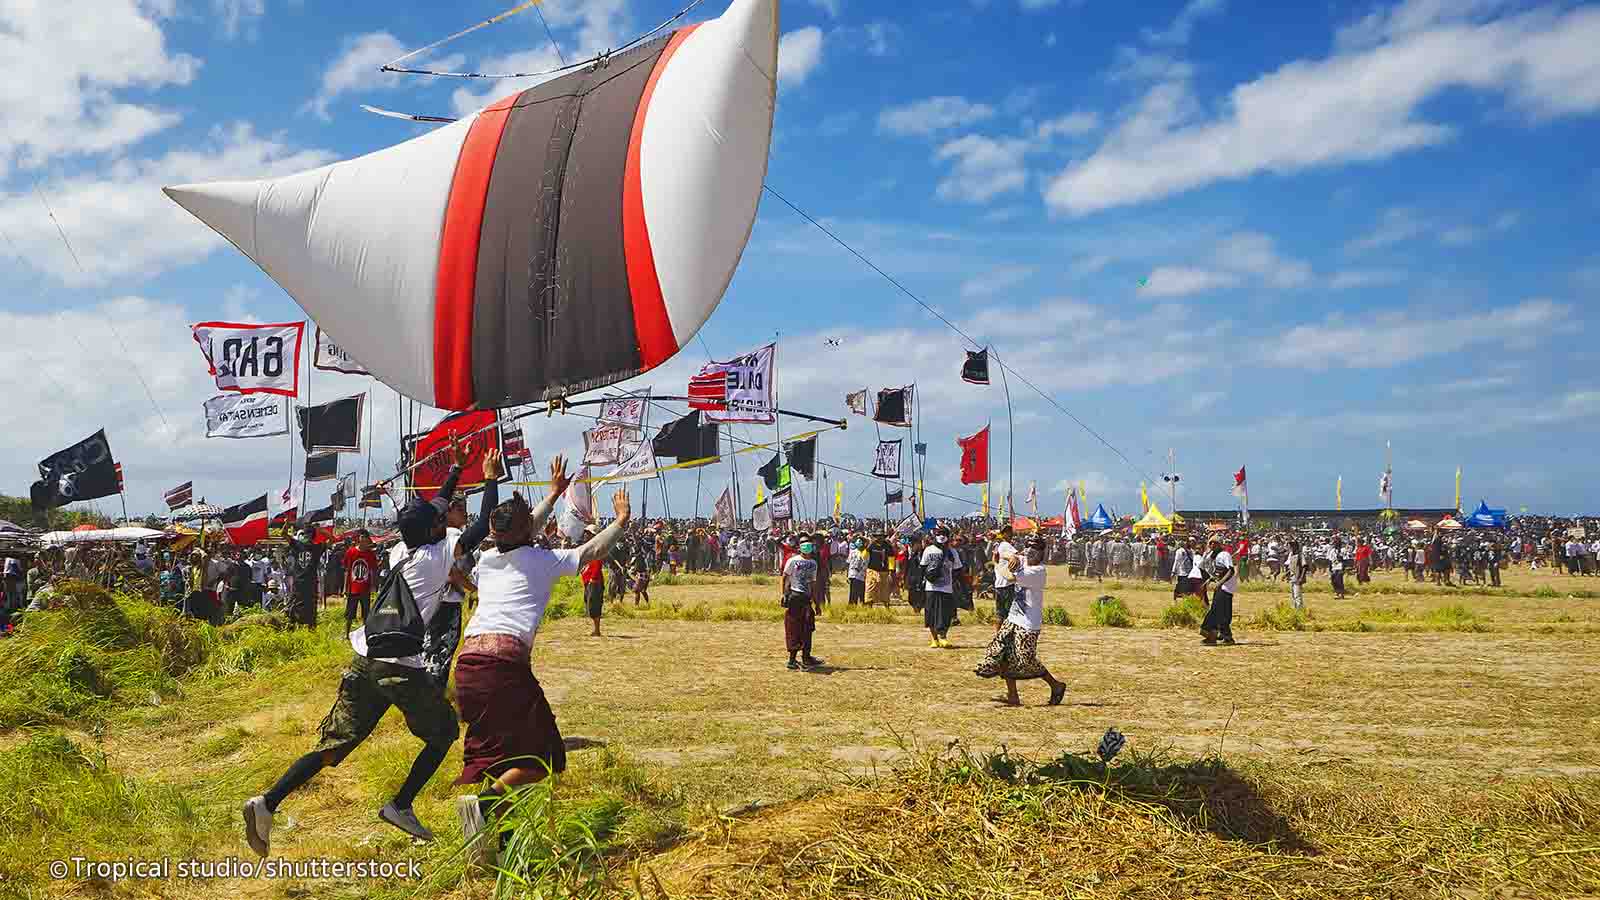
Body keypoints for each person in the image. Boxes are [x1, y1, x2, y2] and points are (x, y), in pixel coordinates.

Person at [242, 438, 485, 856]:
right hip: (400, 667)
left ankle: (268, 802)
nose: (445, 518)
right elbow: (478, 530)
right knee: (444, 732)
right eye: (439, 519)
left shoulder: (397, 552)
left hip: (364, 659)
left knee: (334, 747)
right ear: (432, 529)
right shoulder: (438, 555)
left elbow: (435, 510)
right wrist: (491, 478)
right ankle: (401, 805)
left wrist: (455, 472)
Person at [452, 464, 629, 864]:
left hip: (468, 666)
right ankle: (485, 805)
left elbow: (519, 530)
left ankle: (499, 845)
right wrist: (620, 521)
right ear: (527, 534)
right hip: (504, 666)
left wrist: (553, 494)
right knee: (544, 756)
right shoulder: (543, 560)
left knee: (504, 757)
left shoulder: (488, 560)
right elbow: (592, 551)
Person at [975, 536, 1067, 706]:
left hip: (1028, 623)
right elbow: (1002, 551)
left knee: (1026, 660)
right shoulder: (1023, 559)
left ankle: (1056, 685)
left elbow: (1009, 576)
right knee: (1002, 654)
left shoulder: (1037, 571)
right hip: (1013, 617)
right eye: (1029, 549)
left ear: (1041, 554)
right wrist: (1010, 557)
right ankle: (1012, 695)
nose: (1031, 553)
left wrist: (1002, 564)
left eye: (1036, 551)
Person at [781, 539, 823, 671]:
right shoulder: (798, 561)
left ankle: (802, 658)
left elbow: (785, 578)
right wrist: (784, 594)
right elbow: (786, 577)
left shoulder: (808, 562)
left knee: (801, 627)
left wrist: (784, 594)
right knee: (801, 628)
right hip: (798, 596)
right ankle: (798, 659)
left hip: (800, 597)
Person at [920, 527, 957, 648]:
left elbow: (958, 569)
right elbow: (923, 567)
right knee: (931, 613)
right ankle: (934, 638)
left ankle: (943, 637)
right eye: (939, 534)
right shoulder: (928, 550)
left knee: (945, 614)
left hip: (946, 587)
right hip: (931, 587)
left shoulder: (952, 552)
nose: (941, 536)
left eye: (944, 534)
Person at [285, 525, 325, 628]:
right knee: (295, 605)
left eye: (307, 533)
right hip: (299, 583)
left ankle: (310, 629)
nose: (305, 536)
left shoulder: (316, 548)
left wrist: (321, 531)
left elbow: (332, 540)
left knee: (310, 607)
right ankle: (293, 625)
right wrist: (287, 523)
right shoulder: (297, 545)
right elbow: (283, 534)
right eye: (304, 534)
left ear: (311, 535)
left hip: (309, 583)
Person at [1199, 537, 1237, 645]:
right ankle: (1225, 636)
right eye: (1210, 543)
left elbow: (1231, 570)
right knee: (1222, 612)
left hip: (1226, 587)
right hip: (1221, 586)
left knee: (1216, 611)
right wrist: (1209, 581)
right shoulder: (1214, 556)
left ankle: (1212, 635)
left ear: (1220, 544)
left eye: (1214, 543)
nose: (1212, 545)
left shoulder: (1224, 555)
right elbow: (1217, 572)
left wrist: (1219, 583)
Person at [342, 530, 378, 632]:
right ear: (359, 539)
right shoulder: (351, 552)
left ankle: (364, 634)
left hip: (365, 589)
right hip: (352, 589)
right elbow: (347, 570)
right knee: (349, 614)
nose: (363, 539)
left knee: (366, 614)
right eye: (361, 537)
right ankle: (346, 634)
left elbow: (373, 571)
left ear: (368, 540)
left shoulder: (371, 554)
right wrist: (345, 587)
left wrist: (373, 586)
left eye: (365, 538)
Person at [990, 525, 1018, 634]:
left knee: (1000, 612)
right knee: (1008, 612)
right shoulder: (1006, 545)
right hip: (1007, 584)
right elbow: (1017, 556)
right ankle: (1005, 634)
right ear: (1004, 533)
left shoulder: (999, 546)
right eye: (1009, 532)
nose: (1012, 534)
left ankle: (998, 634)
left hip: (1000, 584)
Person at [580, 527, 606, 637]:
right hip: (588, 579)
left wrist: (592, 578)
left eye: (588, 533)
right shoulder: (588, 546)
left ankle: (597, 629)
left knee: (594, 605)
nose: (585, 535)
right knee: (589, 603)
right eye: (585, 533)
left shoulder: (597, 547)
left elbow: (597, 563)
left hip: (594, 581)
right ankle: (595, 629)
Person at [864, 533, 893, 607]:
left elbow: (891, 558)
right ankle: (869, 605)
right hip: (872, 570)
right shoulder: (871, 545)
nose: (879, 538)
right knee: (870, 588)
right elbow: (864, 556)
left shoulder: (888, 546)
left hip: (884, 571)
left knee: (885, 589)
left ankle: (886, 606)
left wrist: (891, 570)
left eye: (881, 536)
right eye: (877, 536)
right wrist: (867, 547)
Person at [1287, 539, 1308, 611]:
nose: (1291, 547)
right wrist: (1286, 574)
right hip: (1292, 578)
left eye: (1292, 545)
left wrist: (1301, 578)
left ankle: (1299, 611)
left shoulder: (1300, 555)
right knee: (1293, 595)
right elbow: (1291, 568)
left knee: (1297, 595)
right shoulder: (1291, 556)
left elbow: (1305, 566)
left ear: (1296, 546)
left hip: (1297, 578)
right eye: (1290, 546)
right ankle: (1294, 610)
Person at [846, 538, 867, 604]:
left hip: (862, 574)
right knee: (853, 591)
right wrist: (847, 575)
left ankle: (862, 603)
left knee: (861, 591)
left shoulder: (866, 552)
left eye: (861, 542)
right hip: (853, 574)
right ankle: (852, 604)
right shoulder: (852, 552)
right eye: (858, 541)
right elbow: (848, 562)